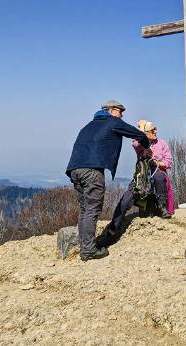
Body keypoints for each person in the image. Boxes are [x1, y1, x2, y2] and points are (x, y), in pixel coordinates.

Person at [66, 100, 150, 261]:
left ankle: (86, 246)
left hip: (75, 169)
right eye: (120, 111)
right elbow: (138, 134)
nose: (122, 114)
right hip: (92, 170)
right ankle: (89, 251)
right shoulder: (112, 121)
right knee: (92, 209)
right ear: (111, 111)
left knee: (85, 209)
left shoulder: (88, 125)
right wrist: (147, 147)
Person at [95, 120, 172, 252]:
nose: (155, 132)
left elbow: (168, 162)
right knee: (125, 201)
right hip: (141, 175)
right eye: (152, 130)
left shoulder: (162, 143)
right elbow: (135, 142)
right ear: (146, 133)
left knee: (159, 177)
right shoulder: (139, 144)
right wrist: (142, 136)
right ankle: (112, 231)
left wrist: (156, 162)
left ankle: (162, 207)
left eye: (155, 129)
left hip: (157, 173)